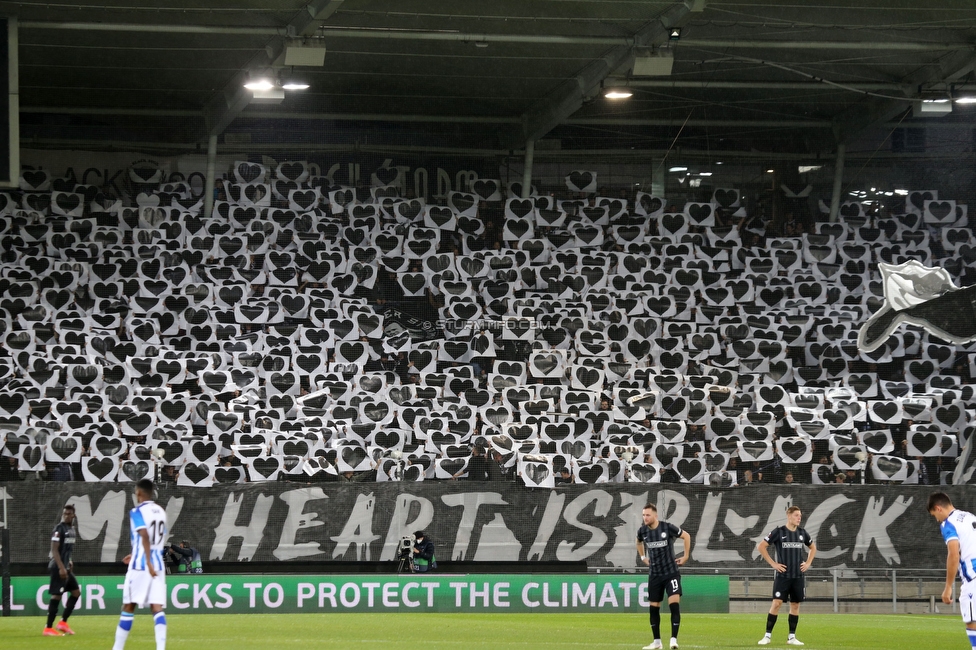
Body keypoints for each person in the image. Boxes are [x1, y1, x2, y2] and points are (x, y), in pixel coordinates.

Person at [114, 479, 168, 650]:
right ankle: (161, 648)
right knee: (157, 607)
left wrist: (145, 559)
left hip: (141, 566)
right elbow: (157, 538)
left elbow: (144, 535)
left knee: (129, 605)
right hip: (158, 565)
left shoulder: (137, 511)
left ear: (138, 493)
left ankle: (117, 648)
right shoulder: (160, 511)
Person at [757, 505, 817, 646]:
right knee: (776, 603)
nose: (799, 518)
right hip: (783, 576)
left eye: (800, 516)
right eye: (796, 515)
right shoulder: (779, 532)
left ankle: (791, 637)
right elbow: (761, 546)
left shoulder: (802, 533)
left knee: (795, 605)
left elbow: (813, 548)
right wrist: (773, 564)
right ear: (789, 516)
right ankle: (767, 636)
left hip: (797, 576)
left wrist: (808, 563)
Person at [636, 503, 692, 650]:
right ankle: (657, 643)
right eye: (643, 515)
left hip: (671, 573)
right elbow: (638, 542)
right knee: (654, 608)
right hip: (654, 575)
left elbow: (686, 536)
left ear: (655, 516)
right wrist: (643, 557)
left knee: (674, 604)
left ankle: (673, 640)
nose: (645, 518)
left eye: (647, 515)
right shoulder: (642, 531)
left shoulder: (667, 528)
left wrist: (686, 556)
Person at [927, 492, 976, 648]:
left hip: (973, 576)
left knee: (972, 620)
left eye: (934, 515)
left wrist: (948, 587)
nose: (937, 519)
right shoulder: (969, 516)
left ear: (938, 508)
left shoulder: (948, 524)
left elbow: (953, 554)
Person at [44, 504, 80, 636]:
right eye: (64, 513)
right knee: (57, 596)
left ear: (73, 515)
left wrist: (69, 560)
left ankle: (63, 623)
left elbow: (66, 549)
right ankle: (48, 628)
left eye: (68, 514)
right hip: (58, 567)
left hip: (66, 567)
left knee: (76, 592)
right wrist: (61, 568)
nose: (66, 516)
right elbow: (54, 549)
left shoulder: (71, 529)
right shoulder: (59, 528)